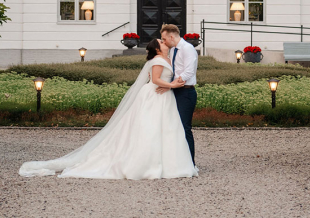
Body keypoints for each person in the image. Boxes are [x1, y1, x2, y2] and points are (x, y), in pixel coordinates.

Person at [18, 37, 197, 180]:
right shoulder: (158, 59)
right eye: (161, 41)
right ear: (157, 48)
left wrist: (173, 84)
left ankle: (168, 163)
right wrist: (172, 86)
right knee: (149, 128)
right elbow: (156, 80)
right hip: (155, 95)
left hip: (164, 98)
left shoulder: (168, 56)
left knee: (166, 129)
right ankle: (145, 163)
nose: (164, 42)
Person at [159, 23, 198, 165]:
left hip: (186, 92)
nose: (163, 42)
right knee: (174, 126)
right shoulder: (173, 49)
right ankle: (178, 161)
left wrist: (172, 85)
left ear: (171, 36)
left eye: (163, 39)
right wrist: (169, 85)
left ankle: (190, 163)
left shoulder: (188, 49)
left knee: (184, 127)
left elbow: (189, 71)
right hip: (176, 90)